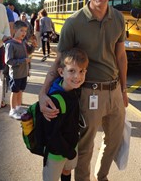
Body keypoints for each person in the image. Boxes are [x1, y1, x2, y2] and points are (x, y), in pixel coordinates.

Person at [39, 0, 129, 181]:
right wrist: (42, 94)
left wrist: (124, 90)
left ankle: (102, 176)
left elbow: (121, 56)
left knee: (115, 140)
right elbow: (58, 63)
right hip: (90, 93)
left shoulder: (118, 18)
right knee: (85, 146)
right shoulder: (73, 23)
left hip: (115, 90)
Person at [42, 47, 89, 181]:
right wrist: (69, 152)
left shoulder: (74, 90)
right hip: (56, 153)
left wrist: (71, 150)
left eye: (81, 71)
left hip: (71, 146)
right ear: (61, 72)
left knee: (67, 171)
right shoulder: (54, 100)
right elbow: (52, 134)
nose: (77, 77)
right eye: (72, 71)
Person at [5, 20, 36, 120]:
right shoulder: (10, 44)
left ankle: (18, 107)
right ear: (15, 30)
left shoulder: (23, 42)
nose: (24, 33)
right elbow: (9, 61)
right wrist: (23, 60)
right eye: (21, 30)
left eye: (25, 31)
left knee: (20, 90)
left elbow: (28, 51)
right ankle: (12, 110)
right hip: (15, 74)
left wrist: (33, 46)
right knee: (15, 91)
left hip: (23, 73)